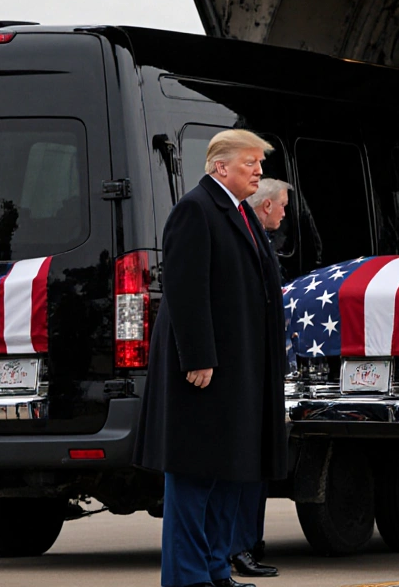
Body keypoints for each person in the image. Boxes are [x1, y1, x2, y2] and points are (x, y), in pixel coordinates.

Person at [135, 129, 288, 587]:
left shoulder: (239, 212)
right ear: (220, 167)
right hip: (203, 372)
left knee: (231, 475)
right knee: (195, 477)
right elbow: (184, 291)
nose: (259, 172)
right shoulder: (195, 210)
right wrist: (197, 357)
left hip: (239, 372)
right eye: (250, 163)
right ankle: (187, 577)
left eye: (259, 164)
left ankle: (215, 570)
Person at [228, 178, 292, 580]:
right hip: (247, 370)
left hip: (263, 367)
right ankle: (239, 546)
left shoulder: (258, 239)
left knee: (259, 462)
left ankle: (248, 543)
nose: (286, 213)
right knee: (245, 466)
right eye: (283, 205)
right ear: (266, 206)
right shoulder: (246, 239)